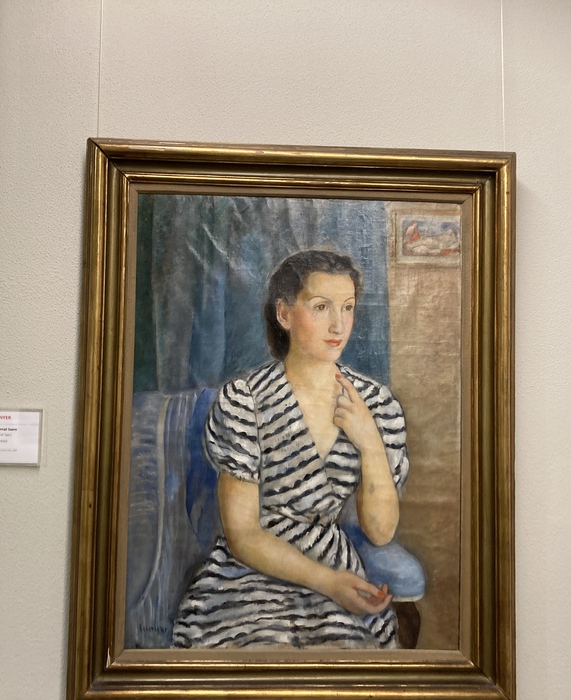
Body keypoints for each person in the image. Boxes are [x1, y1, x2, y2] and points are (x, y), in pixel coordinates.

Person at [172, 249, 409, 649]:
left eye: (347, 307)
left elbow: (381, 532)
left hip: (335, 566)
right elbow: (243, 535)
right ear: (284, 314)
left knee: (344, 654)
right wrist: (328, 582)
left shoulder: (376, 403)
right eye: (321, 307)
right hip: (249, 576)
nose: (338, 324)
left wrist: (370, 442)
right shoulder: (245, 399)